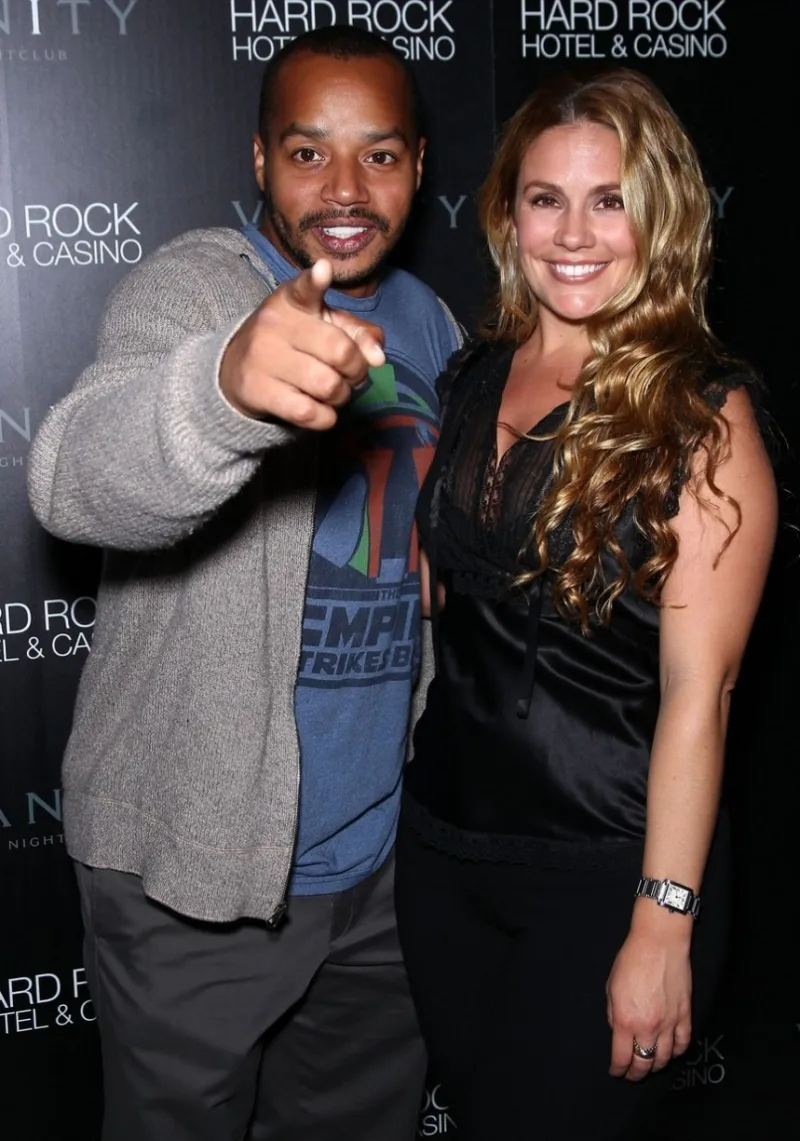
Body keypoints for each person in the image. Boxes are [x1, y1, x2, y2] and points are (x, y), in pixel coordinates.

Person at [27, 25, 461, 1141]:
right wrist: (221, 392)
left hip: (379, 865)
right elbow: (75, 477)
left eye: (379, 154)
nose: (345, 188)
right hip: (194, 872)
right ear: (259, 159)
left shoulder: (430, 321)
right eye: (308, 153)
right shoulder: (192, 291)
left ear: (418, 165)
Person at [394, 68, 777, 1141]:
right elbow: (453, 608)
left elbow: (700, 696)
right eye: (544, 198)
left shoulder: (702, 416)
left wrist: (663, 925)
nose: (572, 233)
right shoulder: (472, 374)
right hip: (443, 857)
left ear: (660, 216)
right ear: (506, 213)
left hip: (607, 871)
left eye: (609, 199)